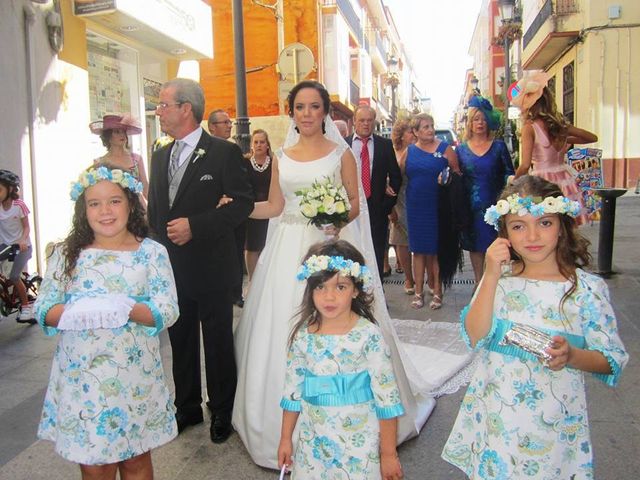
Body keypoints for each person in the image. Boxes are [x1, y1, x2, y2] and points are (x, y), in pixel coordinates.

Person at [232, 80, 435, 470]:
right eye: (300, 107)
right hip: (287, 249)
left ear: (325, 112)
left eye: (314, 106)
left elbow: (355, 202)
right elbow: (275, 206)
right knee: (280, 326)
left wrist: (333, 222)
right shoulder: (282, 155)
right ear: (291, 112)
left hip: (328, 249)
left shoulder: (341, 154)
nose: (307, 113)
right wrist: (238, 208)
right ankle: (277, 429)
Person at [442, 175, 628, 479]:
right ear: (505, 234)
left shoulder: (585, 290)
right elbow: (475, 335)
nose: (532, 235)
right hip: (496, 420)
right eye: (518, 226)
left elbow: (611, 359)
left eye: (544, 223)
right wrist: (489, 275)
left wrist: (573, 356)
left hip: (552, 428)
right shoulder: (499, 280)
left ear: (562, 225)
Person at [33, 165, 179, 479]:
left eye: (114, 201)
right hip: (83, 378)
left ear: (130, 203)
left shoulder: (151, 253)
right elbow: (43, 309)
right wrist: (80, 310)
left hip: (134, 378)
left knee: (136, 461)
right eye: (94, 203)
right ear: (82, 210)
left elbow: (166, 310)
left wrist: (124, 307)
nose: (105, 211)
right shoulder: (66, 254)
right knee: (94, 464)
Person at [147, 78, 254, 443]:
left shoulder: (223, 152)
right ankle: (187, 406)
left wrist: (196, 225)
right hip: (173, 270)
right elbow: (158, 210)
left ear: (185, 109)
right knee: (180, 340)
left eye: (163, 105)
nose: (158, 111)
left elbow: (242, 204)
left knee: (218, 340)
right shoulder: (160, 154)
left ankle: (222, 408)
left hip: (213, 266)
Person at [277, 240, 404, 480]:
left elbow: (386, 399)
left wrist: (388, 454)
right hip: (313, 445)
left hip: (359, 447)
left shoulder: (369, 337)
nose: (329, 297)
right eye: (321, 287)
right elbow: (292, 392)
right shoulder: (303, 336)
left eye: (341, 287)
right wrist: (285, 439)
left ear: (356, 289)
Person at [512, 70, 597, 225]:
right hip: (564, 178)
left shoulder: (529, 128)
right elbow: (592, 137)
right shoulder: (559, 126)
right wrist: (565, 137)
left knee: (544, 222)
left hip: (542, 182)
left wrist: (513, 183)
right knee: (566, 224)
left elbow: (524, 165)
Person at [405, 113, 460, 310]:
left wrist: (448, 179)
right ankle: (418, 293)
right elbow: (399, 174)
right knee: (418, 251)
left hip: (438, 205)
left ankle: (438, 291)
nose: (430, 130)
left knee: (436, 251)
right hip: (415, 206)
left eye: (431, 125)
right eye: (425, 127)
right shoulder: (409, 151)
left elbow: (457, 174)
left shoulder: (445, 149)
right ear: (415, 132)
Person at [457, 96, 514, 285]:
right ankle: (478, 283)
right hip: (470, 207)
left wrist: (510, 183)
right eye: (475, 119)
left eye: (482, 119)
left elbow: (508, 172)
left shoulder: (498, 146)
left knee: (496, 244)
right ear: (470, 123)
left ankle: (495, 283)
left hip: (495, 205)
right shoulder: (461, 150)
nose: (480, 123)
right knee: (475, 246)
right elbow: (457, 176)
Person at [346, 105, 402, 280]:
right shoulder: (344, 145)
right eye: (362, 120)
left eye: (369, 120)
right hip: (350, 207)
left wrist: (386, 205)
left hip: (376, 207)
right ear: (354, 121)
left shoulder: (384, 145)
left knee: (376, 251)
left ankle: (376, 293)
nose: (365, 124)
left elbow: (396, 177)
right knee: (351, 250)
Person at [208, 108, 245, 307]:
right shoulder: (206, 152)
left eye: (230, 122)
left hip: (233, 215)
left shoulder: (232, 150)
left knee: (236, 254)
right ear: (212, 127)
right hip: (213, 216)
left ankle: (236, 292)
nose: (230, 125)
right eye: (225, 122)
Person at [0, 169, 35, 324]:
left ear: (11, 189)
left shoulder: (19, 205)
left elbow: (26, 227)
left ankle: (26, 307)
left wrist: (22, 240)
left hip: (22, 246)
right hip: (4, 245)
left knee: (14, 276)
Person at [89, 113, 149, 202]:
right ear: (108, 136)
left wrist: (154, 210)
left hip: (137, 208)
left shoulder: (136, 159)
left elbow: (145, 187)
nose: (122, 135)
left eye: (123, 131)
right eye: (117, 132)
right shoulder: (99, 163)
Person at [388, 118, 416, 295]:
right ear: (401, 135)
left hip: (412, 197)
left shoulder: (415, 152)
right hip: (396, 200)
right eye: (409, 132)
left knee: (415, 239)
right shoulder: (391, 152)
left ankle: (420, 276)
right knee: (400, 240)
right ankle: (408, 277)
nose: (413, 135)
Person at [244, 129, 273, 280]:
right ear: (251, 145)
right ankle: (252, 279)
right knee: (251, 247)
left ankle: (266, 280)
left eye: (262, 142)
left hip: (271, 210)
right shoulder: (244, 163)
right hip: (252, 211)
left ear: (268, 145)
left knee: (267, 245)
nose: (259, 145)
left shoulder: (275, 163)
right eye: (256, 142)